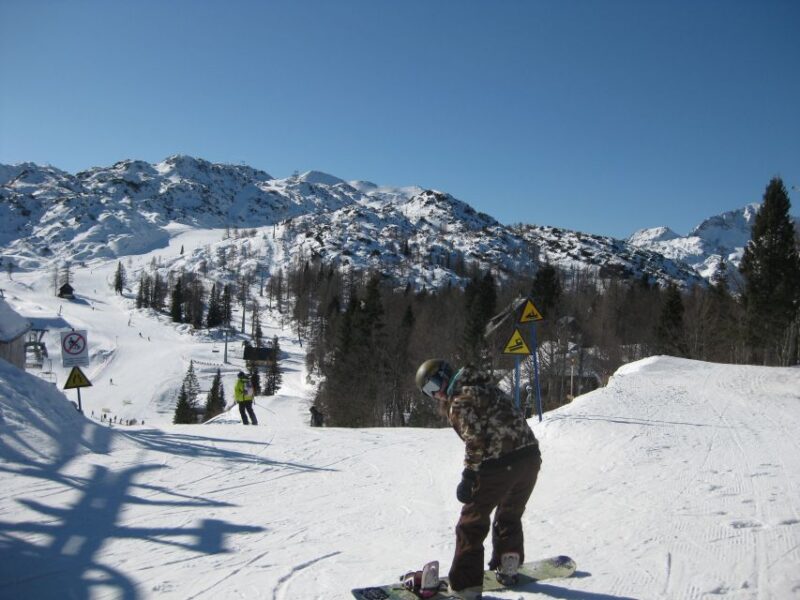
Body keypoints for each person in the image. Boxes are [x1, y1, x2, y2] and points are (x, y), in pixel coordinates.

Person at [415, 359, 541, 600]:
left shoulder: (460, 400)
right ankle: (508, 563)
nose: (437, 394)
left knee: (471, 523)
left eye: (434, 385)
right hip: (530, 459)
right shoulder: (487, 387)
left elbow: (475, 440)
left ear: (444, 375)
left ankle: (466, 587)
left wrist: (469, 475)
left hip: (501, 464)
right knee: (509, 513)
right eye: (429, 392)